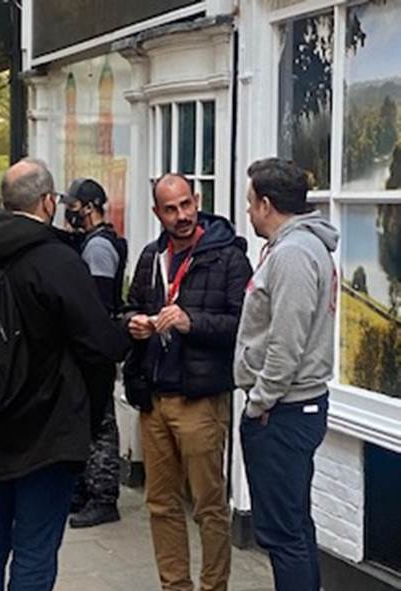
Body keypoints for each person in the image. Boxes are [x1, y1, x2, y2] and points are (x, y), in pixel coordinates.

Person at [0, 158, 129, 591]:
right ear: (48, 202)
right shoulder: (55, 260)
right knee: (34, 548)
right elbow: (100, 345)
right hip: (47, 428)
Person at [127, 173, 252, 591]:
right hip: (154, 396)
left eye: (186, 205)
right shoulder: (151, 257)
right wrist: (135, 324)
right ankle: (174, 585)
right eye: (170, 209)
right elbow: (127, 308)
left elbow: (243, 326)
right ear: (156, 212)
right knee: (161, 504)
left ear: (197, 200)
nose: (181, 215)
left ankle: (213, 586)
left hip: (200, 397)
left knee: (209, 505)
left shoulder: (228, 256)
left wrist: (190, 321)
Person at [234, 158, 339, 591]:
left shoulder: (294, 254)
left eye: (249, 202)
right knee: (294, 526)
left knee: (282, 534)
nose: (248, 212)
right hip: (291, 408)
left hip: (283, 412)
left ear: (266, 203)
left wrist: (260, 403)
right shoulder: (298, 248)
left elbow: (286, 344)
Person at [62, 177, 127, 528]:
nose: (68, 213)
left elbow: (97, 303)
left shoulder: (98, 248)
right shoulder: (91, 242)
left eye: (73, 206)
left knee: (101, 421)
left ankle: (103, 498)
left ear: (88, 207)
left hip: (95, 346)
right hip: (93, 343)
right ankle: (87, 492)